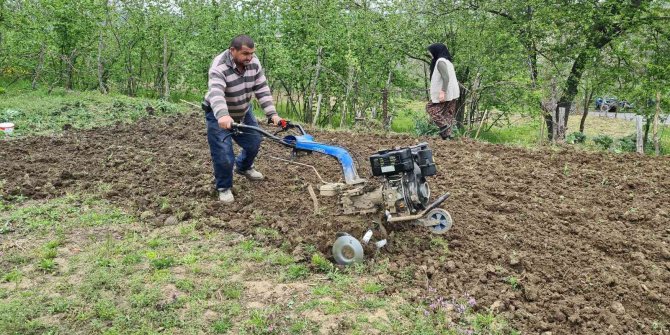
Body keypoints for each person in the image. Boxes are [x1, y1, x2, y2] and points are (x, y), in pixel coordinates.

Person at [202, 34, 283, 203]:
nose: (250, 57)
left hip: (243, 110)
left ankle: (244, 167)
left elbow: (261, 88)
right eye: (245, 54)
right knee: (224, 155)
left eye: (252, 53)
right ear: (233, 51)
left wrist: (272, 114)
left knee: (254, 142)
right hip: (219, 114)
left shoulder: (253, 62)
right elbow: (216, 93)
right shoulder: (219, 66)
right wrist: (223, 115)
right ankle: (224, 187)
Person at [426, 43, 460, 140]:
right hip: (453, 92)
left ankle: (443, 125)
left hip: (446, 91)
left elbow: (446, 78)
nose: (430, 54)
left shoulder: (440, 62)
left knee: (430, 108)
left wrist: (442, 92)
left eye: (431, 52)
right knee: (447, 113)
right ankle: (447, 136)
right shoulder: (448, 62)